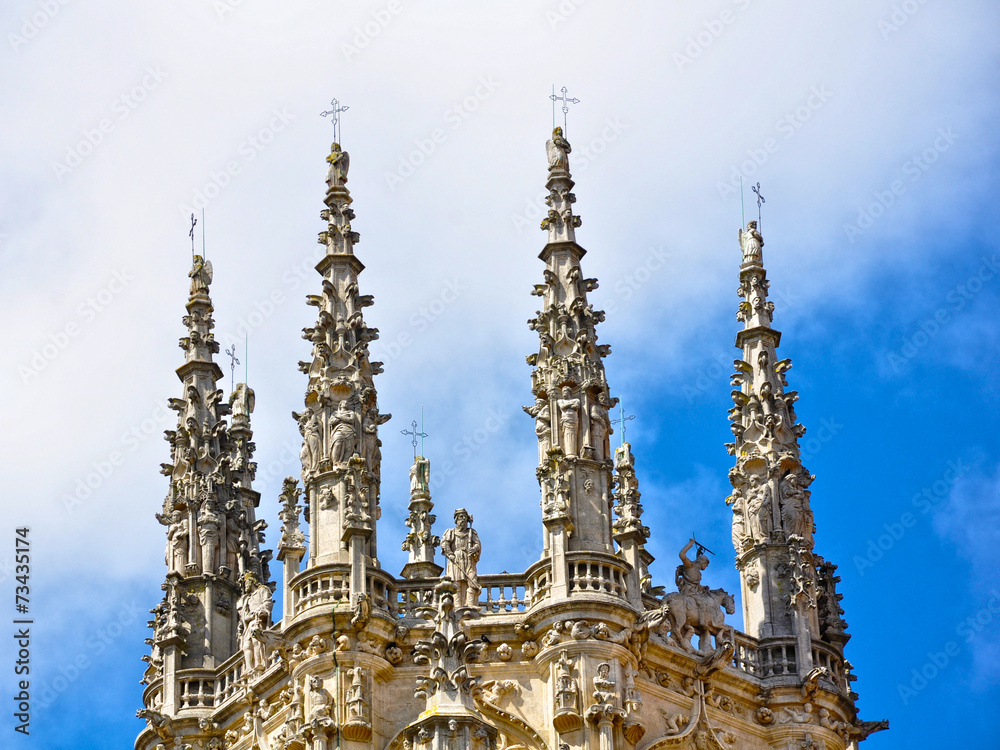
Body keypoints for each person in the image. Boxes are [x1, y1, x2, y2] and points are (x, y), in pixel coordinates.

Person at [440, 509, 481, 607]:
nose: (463, 519)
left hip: (468, 559)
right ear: (456, 519)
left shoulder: (471, 532)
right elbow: (445, 544)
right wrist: (450, 554)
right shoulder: (451, 532)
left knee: (472, 582)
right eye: (460, 517)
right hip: (456, 558)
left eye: (464, 517)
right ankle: (457, 606)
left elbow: (478, 544)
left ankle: (470, 605)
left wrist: (474, 548)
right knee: (456, 583)